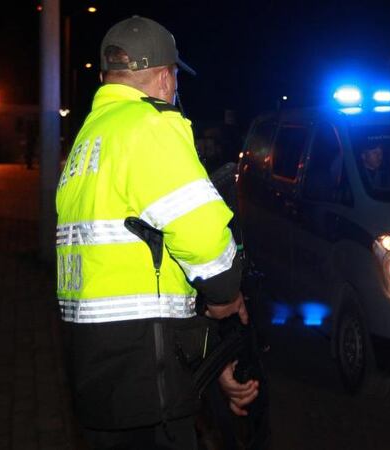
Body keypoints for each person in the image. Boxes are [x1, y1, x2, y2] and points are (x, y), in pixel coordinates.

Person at [55, 16, 258, 449]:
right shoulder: (149, 126)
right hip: (146, 374)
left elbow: (141, 263)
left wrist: (209, 358)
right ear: (166, 77)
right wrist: (227, 296)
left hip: (99, 373)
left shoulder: (87, 141)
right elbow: (204, 241)